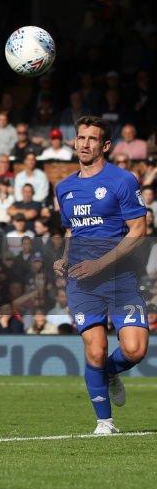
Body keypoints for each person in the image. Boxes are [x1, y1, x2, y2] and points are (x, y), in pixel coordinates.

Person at [53, 116, 149, 435]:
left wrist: (100, 263)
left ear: (105, 145)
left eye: (91, 139)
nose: (83, 144)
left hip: (120, 279)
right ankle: (104, 423)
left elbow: (138, 230)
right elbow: (72, 229)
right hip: (83, 282)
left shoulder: (123, 180)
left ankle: (108, 373)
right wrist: (65, 258)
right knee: (95, 349)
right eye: (80, 138)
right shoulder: (64, 188)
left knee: (136, 349)